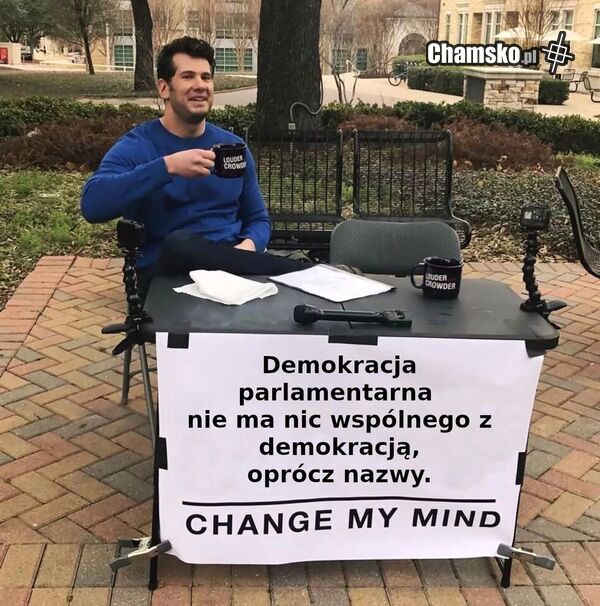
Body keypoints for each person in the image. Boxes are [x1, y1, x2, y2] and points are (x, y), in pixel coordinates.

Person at [80, 36, 309, 295]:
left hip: (233, 273)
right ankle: (308, 273)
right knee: (179, 244)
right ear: (164, 88)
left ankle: (305, 276)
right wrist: (166, 167)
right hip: (167, 279)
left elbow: (258, 219)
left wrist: (247, 249)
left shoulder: (233, 148)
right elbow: (93, 205)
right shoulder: (138, 146)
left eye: (206, 77)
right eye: (188, 77)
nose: (200, 85)